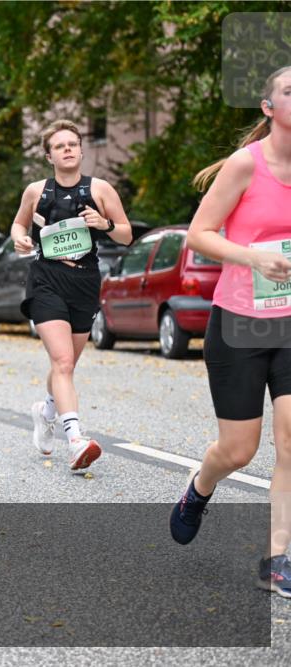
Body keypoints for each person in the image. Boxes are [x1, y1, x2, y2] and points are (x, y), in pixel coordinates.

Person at [169, 67, 291, 597]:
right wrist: (253, 256)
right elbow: (199, 235)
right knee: (238, 449)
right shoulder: (247, 165)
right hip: (240, 323)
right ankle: (199, 489)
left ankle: (279, 557)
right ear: (268, 108)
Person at [11, 119, 132, 470]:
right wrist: (20, 238)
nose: (67, 149)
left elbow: (126, 234)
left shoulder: (101, 190)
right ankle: (76, 439)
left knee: (67, 364)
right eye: (59, 145)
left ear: (81, 150)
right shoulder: (37, 191)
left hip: (84, 282)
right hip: (46, 280)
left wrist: (104, 224)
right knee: (62, 362)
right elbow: (19, 223)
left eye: (72, 144)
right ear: (49, 155)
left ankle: (45, 410)